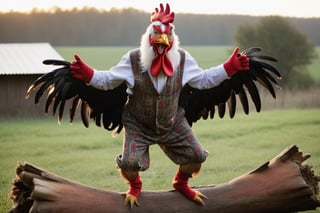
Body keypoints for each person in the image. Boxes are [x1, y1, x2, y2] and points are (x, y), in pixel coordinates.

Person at [70, 3, 249, 207]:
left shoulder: (183, 60)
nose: (163, 39)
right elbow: (108, 80)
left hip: (172, 122)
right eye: (157, 34)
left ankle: (181, 183)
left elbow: (203, 79)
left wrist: (229, 68)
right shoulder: (132, 59)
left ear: (173, 38)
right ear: (149, 36)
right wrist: (88, 74)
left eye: (168, 35)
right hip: (138, 123)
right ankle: (135, 185)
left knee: (197, 156)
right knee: (129, 164)